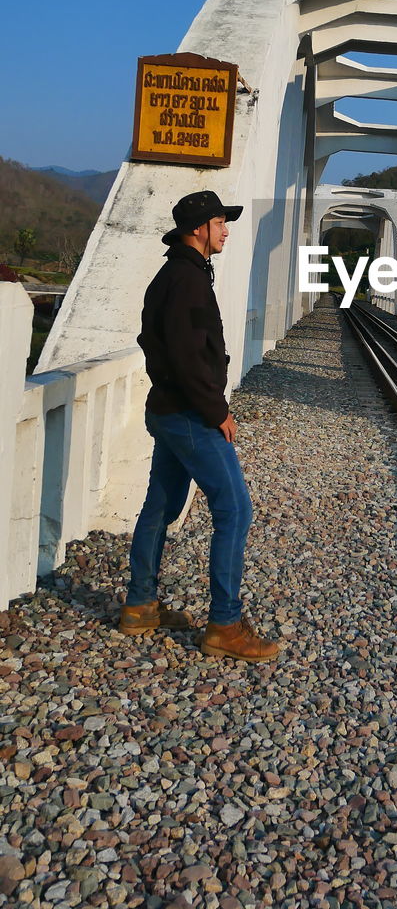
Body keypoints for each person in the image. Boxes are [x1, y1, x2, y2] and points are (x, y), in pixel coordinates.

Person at [119, 189, 279, 662]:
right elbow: (191, 359)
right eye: (219, 222)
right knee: (234, 510)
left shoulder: (175, 274)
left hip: (168, 409)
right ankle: (225, 625)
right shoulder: (187, 281)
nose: (226, 229)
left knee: (161, 506)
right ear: (198, 229)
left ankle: (140, 604)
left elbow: (158, 344)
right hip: (190, 414)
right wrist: (218, 413)